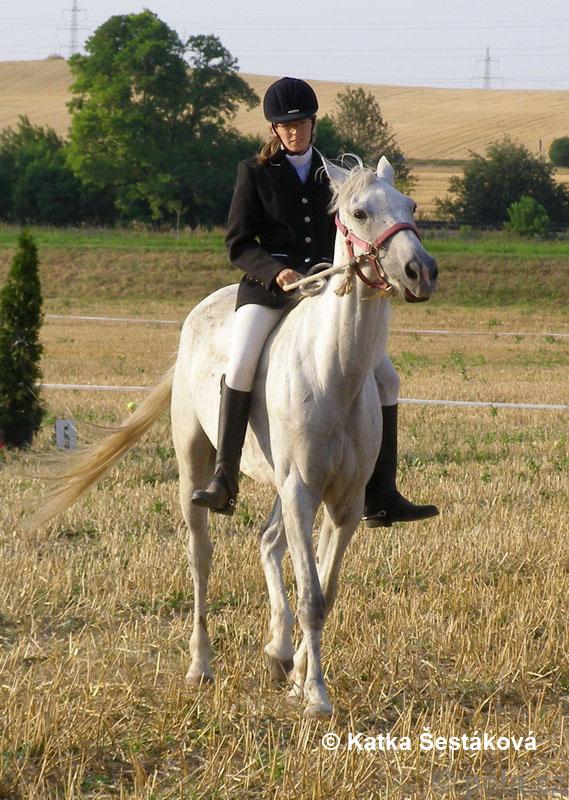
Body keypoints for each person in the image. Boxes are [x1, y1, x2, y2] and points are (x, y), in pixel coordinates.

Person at [191, 77, 438, 528]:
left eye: (301, 123)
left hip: (326, 288)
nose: (294, 131)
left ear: (312, 124)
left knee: (387, 378)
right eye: (286, 126)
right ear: (274, 129)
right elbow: (238, 244)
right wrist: (277, 272)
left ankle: (382, 493)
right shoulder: (255, 172)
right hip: (269, 290)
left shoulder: (337, 177)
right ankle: (225, 476)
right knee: (241, 364)